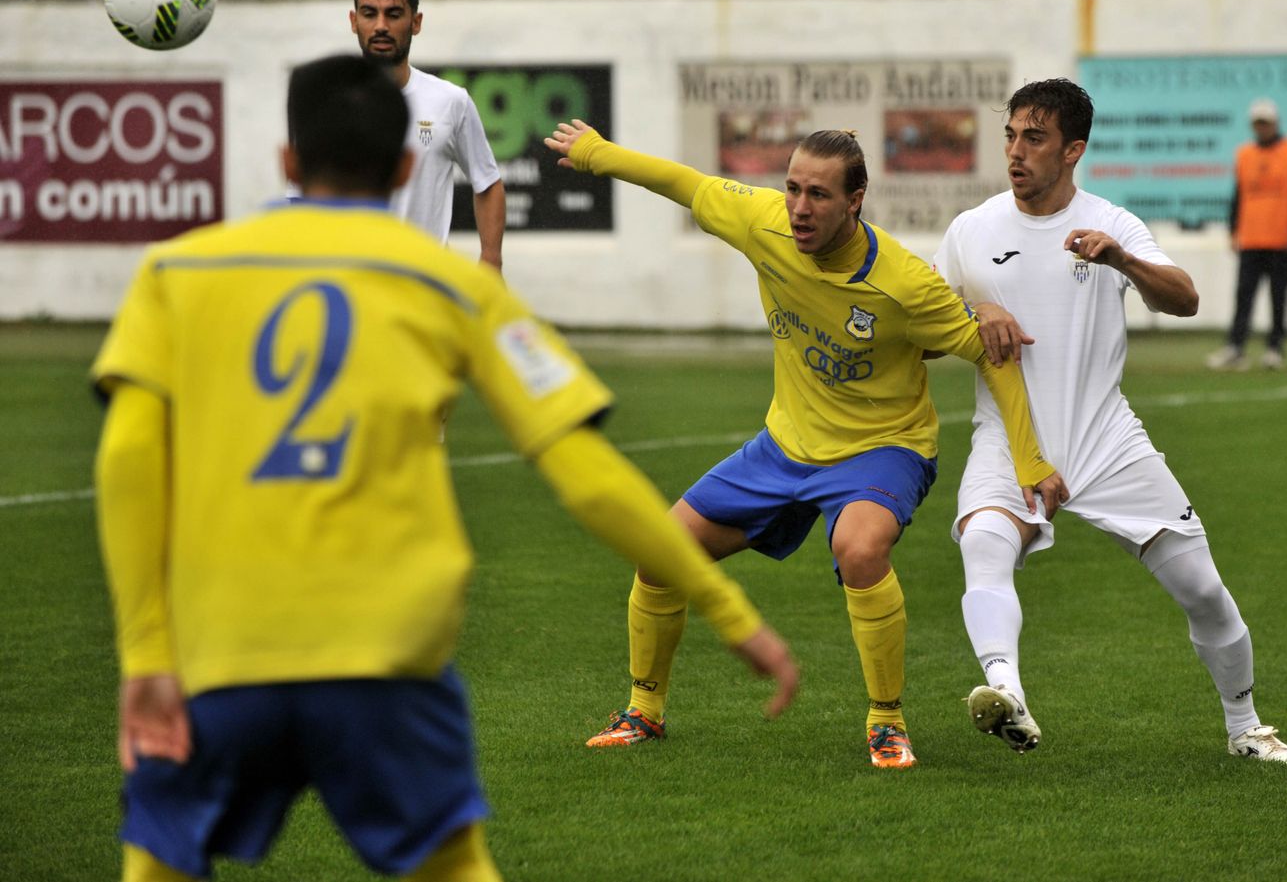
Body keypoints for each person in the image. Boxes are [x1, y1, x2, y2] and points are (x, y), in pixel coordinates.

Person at [93, 55, 797, 882]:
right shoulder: (456, 288)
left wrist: (145, 656)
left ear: (288, 161)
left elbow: (128, 462)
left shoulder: (174, 272)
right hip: (385, 661)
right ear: (401, 168)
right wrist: (726, 607)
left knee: (159, 861)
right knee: (453, 866)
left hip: (220, 655)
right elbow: (586, 473)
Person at [542, 119, 1067, 769]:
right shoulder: (764, 222)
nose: (798, 208)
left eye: (818, 194)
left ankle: (886, 721)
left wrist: (1030, 457)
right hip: (785, 446)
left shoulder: (902, 283)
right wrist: (597, 154)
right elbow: (687, 184)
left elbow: (993, 355)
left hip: (883, 447)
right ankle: (643, 711)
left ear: (856, 199)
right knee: (661, 550)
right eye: (792, 188)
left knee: (858, 548)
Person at [933, 78, 1287, 764]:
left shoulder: (1113, 223)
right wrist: (973, 314)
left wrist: (1122, 259)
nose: (1015, 151)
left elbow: (1184, 300)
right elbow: (921, 331)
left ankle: (1246, 726)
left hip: (1107, 441)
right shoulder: (971, 231)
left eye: (1034, 137)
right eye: (1010, 134)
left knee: (1202, 588)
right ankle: (1006, 692)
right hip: (1009, 440)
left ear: (1072, 149)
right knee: (983, 544)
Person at [350, 0, 507, 270]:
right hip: (351, 287)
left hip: (426, 283)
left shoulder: (450, 101)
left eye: (394, 14)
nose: (381, 25)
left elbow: (488, 183)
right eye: (369, 14)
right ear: (354, 22)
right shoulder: (328, 101)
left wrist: (491, 260)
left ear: (416, 22)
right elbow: (299, 198)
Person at [1206, 97, 1287, 371]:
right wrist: (1233, 229)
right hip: (1251, 238)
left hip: (1281, 239)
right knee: (1244, 296)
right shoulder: (1245, 154)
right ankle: (1236, 347)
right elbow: (1238, 194)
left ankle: (1275, 348)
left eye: (1265, 122)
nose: (1261, 127)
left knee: (1280, 297)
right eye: (1257, 123)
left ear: (1275, 123)